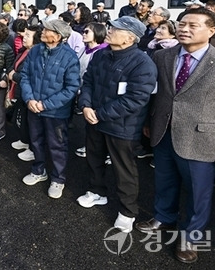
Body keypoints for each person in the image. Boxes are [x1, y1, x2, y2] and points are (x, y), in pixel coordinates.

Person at [136, 8, 215, 264]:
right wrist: (148, 122)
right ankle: (164, 217)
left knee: (198, 193)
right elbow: (155, 94)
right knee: (165, 181)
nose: (184, 29)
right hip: (163, 132)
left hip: (202, 140)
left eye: (192, 25)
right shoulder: (162, 56)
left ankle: (190, 236)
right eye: (181, 23)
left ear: (212, 31)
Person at [77, 16, 157, 234]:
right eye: (111, 27)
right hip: (94, 119)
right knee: (94, 159)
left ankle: (127, 212)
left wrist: (99, 113)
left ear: (130, 38)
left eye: (116, 29)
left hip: (122, 126)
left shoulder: (143, 63)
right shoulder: (102, 54)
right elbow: (89, 82)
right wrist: (85, 105)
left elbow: (136, 99)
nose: (109, 31)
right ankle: (97, 192)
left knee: (124, 170)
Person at [19, 20, 80, 199]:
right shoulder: (36, 50)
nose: (43, 32)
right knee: (36, 141)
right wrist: (29, 98)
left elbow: (71, 88)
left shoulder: (69, 57)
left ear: (58, 36)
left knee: (57, 146)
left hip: (55, 111)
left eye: (47, 30)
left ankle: (58, 179)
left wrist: (45, 104)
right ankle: (38, 170)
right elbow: (25, 76)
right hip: (34, 107)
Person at [74, 23, 108, 159]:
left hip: (97, 92)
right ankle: (91, 146)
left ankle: (105, 152)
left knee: (98, 122)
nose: (83, 33)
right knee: (89, 122)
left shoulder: (103, 52)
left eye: (87, 31)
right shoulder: (84, 49)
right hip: (84, 89)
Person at [10, 26, 42, 161]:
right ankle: (24, 140)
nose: (24, 38)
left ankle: (33, 149)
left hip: (29, 93)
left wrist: (14, 76)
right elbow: (14, 65)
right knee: (22, 119)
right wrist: (12, 72)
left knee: (31, 123)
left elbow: (30, 76)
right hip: (20, 91)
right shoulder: (24, 51)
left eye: (28, 36)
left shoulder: (37, 55)